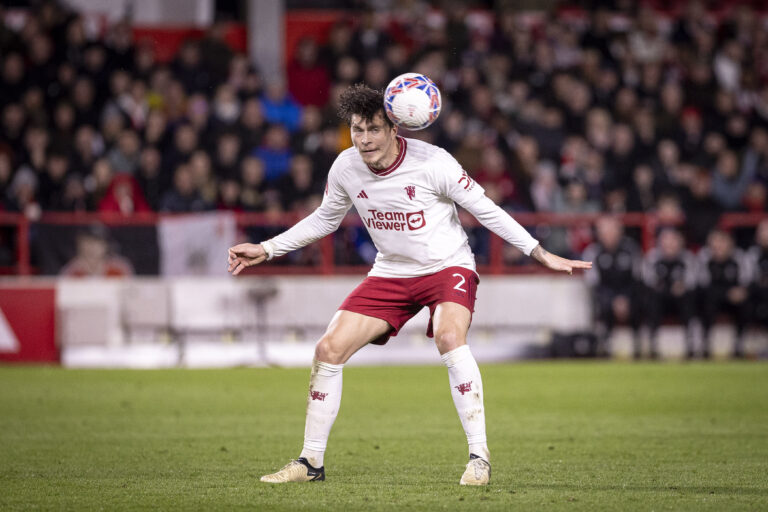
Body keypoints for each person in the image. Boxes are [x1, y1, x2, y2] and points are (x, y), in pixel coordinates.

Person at [228, 84, 591, 486]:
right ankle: (311, 463)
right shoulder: (345, 166)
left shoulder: (434, 163)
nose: (364, 139)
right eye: (357, 130)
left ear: (394, 129)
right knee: (328, 348)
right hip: (392, 272)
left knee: (450, 338)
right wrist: (267, 248)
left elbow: (486, 210)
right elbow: (325, 219)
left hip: (447, 266)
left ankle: (479, 457)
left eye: (372, 130)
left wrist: (539, 252)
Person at [582, 216, 643, 358]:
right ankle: (604, 344)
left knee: (643, 300)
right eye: (604, 232)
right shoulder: (593, 252)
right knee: (602, 304)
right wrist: (613, 300)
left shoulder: (631, 249)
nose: (608, 236)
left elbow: (638, 278)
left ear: (620, 232)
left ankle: (639, 345)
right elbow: (594, 283)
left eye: (611, 231)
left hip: (629, 293)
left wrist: (625, 298)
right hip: (606, 295)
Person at [642, 228, 698, 359]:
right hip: (660, 297)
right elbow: (648, 280)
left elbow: (693, 281)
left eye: (673, 240)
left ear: (681, 242)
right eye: (666, 240)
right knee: (651, 299)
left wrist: (682, 286)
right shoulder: (652, 258)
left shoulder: (688, 259)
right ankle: (651, 343)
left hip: (680, 298)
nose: (670, 244)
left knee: (690, 298)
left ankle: (692, 343)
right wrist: (662, 287)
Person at [697, 229, 751, 358]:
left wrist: (741, 291)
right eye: (714, 244)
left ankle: (739, 344)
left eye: (721, 242)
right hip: (713, 297)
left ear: (730, 243)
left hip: (735, 298)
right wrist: (727, 293)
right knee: (705, 302)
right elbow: (703, 285)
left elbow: (747, 281)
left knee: (746, 303)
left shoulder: (739, 258)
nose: (718, 247)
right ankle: (704, 344)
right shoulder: (704, 258)